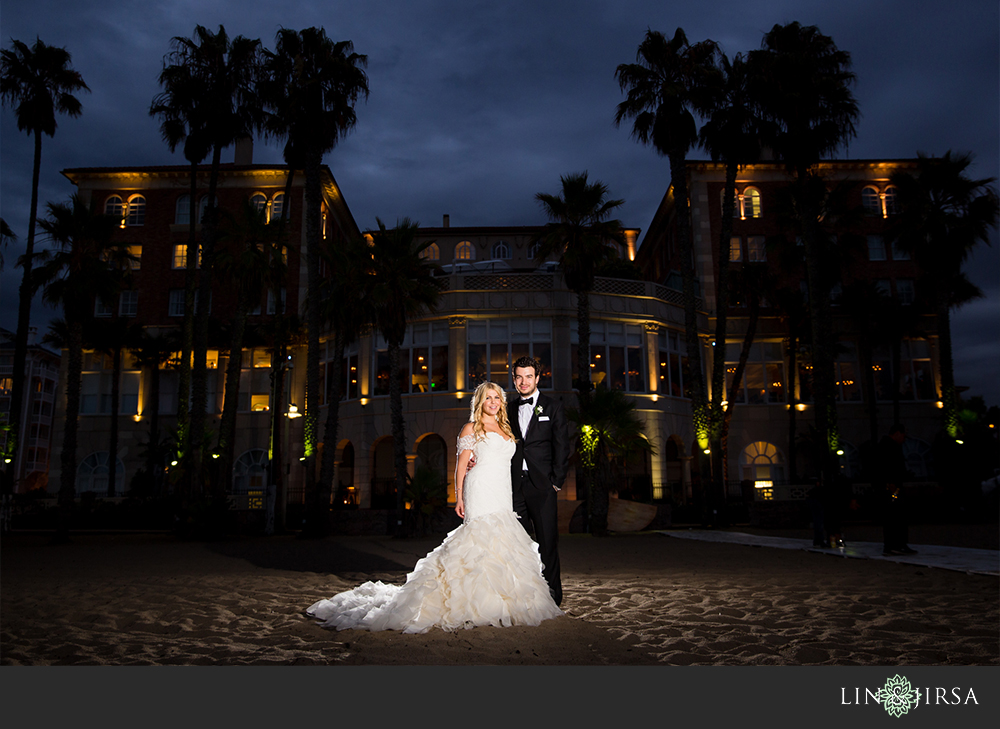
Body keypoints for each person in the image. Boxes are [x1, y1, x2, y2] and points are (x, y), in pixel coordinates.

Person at [305, 381, 562, 633]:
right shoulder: (471, 428)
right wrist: (459, 497)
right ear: (480, 402)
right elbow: (461, 467)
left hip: (503, 491)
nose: (493, 402)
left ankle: (502, 600)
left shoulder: (507, 427)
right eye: (488, 398)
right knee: (479, 540)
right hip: (480, 488)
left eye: (496, 398)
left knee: (504, 541)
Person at [507, 355, 571, 606]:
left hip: (543, 486)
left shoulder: (552, 406)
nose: (524, 382)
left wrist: (557, 481)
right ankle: (526, 593)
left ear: (537, 378)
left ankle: (554, 594)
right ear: (514, 379)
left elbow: (562, 446)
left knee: (547, 542)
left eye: (528, 376)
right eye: (519, 377)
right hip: (515, 487)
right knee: (520, 544)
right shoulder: (508, 408)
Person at [875, 423, 917, 556]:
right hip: (891, 488)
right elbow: (885, 467)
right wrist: (890, 484)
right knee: (893, 516)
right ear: (897, 433)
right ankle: (893, 545)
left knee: (898, 516)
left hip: (893, 486)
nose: (903, 439)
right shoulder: (887, 447)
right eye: (903, 436)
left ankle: (899, 544)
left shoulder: (890, 447)